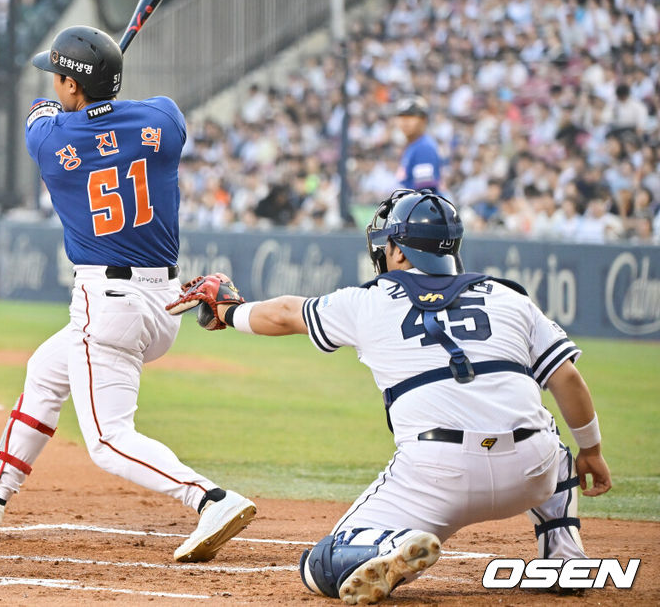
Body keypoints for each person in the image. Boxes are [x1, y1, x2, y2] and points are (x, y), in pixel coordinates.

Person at [168, 189, 611, 603]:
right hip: (529, 472)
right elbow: (567, 379)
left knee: (320, 563)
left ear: (398, 251)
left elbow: (285, 313)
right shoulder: (509, 297)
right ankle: (562, 556)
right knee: (550, 436)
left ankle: (393, 544)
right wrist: (591, 449)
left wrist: (227, 311)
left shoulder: (370, 300)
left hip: (439, 475)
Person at [0, 25, 256, 562]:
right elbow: (145, 112)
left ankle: (210, 499)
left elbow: (42, 112)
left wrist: (82, 105)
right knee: (43, 372)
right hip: (163, 301)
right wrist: (101, 98)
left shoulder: (48, 138)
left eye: (58, 75)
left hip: (106, 305)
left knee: (108, 442)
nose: (52, 82)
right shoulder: (162, 119)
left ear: (71, 84)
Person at [394, 96, 443, 192]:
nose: (405, 122)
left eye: (411, 117)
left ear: (423, 120)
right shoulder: (413, 145)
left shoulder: (424, 147)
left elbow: (424, 193)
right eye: (402, 118)